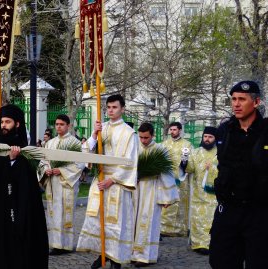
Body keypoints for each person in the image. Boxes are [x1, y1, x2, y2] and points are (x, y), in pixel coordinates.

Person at [0, 104, 48, 269]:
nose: (3, 125)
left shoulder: (25, 149)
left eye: (8, 122)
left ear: (17, 124)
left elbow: (26, 184)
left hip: (17, 211)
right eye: (2, 122)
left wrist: (13, 160)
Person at [209, 81, 268, 268]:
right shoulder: (225, 130)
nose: (236, 104)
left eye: (242, 99)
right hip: (228, 210)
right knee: (220, 261)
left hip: (259, 212)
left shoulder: (266, 131)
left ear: (256, 102)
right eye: (233, 99)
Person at [77, 94, 138, 269]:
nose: (110, 110)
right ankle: (102, 253)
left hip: (117, 184)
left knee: (116, 223)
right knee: (98, 220)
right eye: (108, 107)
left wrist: (112, 180)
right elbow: (86, 151)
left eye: (114, 107)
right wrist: (95, 135)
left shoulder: (129, 133)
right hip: (100, 180)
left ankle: (116, 258)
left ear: (122, 109)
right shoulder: (100, 128)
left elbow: (131, 161)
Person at [131, 122, 179, 266]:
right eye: (141, 137)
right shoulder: (134, 148)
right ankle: (132, 253)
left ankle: (145, 256)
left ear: (152, 135)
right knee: (133, 221)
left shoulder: (160, 150)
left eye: (146, 138)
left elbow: (166, 173)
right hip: (135, 189)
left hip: (152, 189)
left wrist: (167, 197)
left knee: (148, 222)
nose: (143, 141)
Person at [38, 114, 83, 255]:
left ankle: (66, 244)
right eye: (56, 124)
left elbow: (79, 164)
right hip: (52, 183)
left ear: (68, 125)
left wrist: (61, 170)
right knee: (53, 213)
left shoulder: (75, 143)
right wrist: (46, 170)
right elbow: (43, 161)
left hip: (66, 184)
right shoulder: (49, 143)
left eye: (61, 124)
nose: (58, 127)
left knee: (65, 213)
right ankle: (55, 243)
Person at [185, 126, 218, 255]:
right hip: (198, 192)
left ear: (215, 139)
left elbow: (225, 170)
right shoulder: (196, 152)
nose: (207, 139)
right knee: (198, 218)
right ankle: (199, 244)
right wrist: (184, 163)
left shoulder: (220, 152)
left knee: (211, 219)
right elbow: (190, 169)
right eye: (205, 137)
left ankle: (211, 243)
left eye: (210, 137)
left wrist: (213, 168)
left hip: (214, 194)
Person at [160, 122, 193, 237]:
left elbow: (189, 161)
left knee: (180, 203)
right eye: (171, 130)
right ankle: (164, 228)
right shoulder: (164, 144)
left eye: (174, 129)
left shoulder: (187, 145)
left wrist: (182, 171)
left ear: (180, 130)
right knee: (167, 202)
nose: (172, 132)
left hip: (181, 179)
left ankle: (179, 230)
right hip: (167, 178)